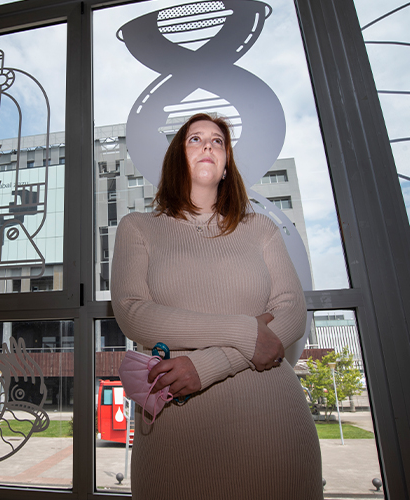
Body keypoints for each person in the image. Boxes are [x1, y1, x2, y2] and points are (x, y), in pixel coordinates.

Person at [111, 113, 322, 499]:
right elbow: (132, 312)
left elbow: (291, 312)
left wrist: (208, 365)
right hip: (176, 426)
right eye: (195, 139)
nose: (208, 145)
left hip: (274, 423)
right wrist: (245, 330)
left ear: (226, 166)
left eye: (218, 141)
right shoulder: (138, 227)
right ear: (177, 159)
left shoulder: (260, 228)